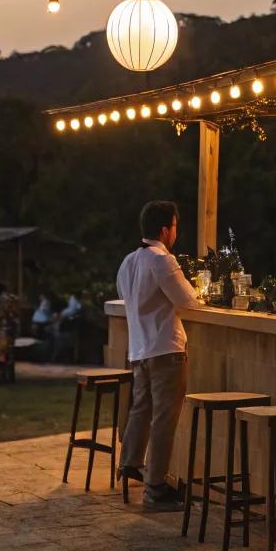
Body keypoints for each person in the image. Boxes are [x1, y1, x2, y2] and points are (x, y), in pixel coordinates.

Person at [117, 199, 200, 509]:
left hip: (139, 350)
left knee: (142, 409)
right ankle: (156, 488)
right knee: (165, 418)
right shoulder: (162, 261)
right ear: (166, 230)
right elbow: (188, 299)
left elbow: (126, 297)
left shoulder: (129, 261)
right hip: (166, 349)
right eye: (176, 226)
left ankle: (131, 463)